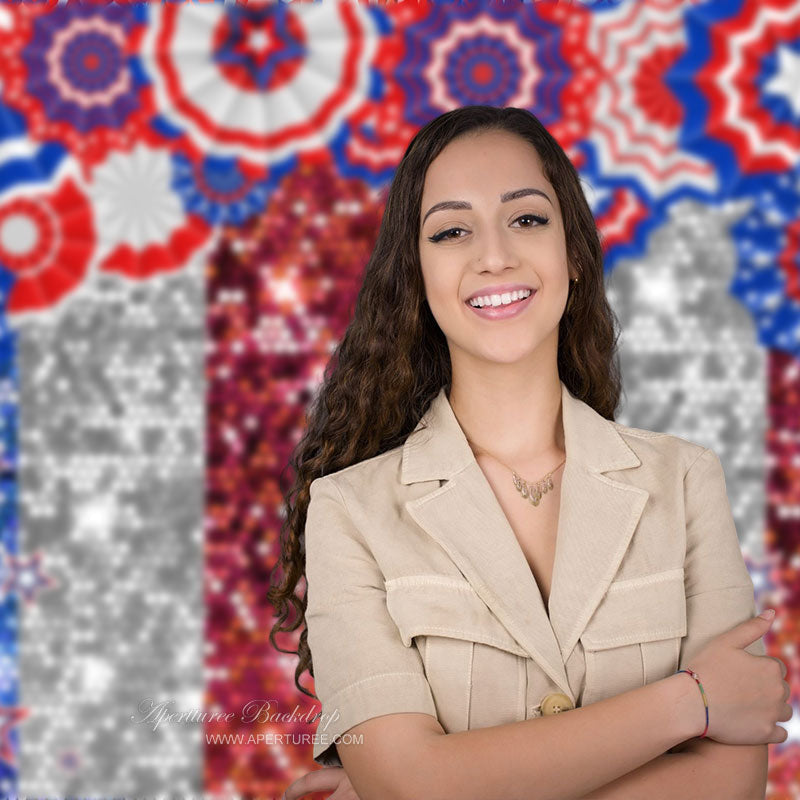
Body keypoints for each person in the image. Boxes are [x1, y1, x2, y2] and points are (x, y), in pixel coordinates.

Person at [268, 105, 791, 800]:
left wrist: (443, 782)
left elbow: (730, 786)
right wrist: (689, 703)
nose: (494, 256)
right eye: (452, 231)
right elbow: (409, 785)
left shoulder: (686, 482)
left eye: (527, 219)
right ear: (416, 276)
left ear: (572, 250)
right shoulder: (348, 512)